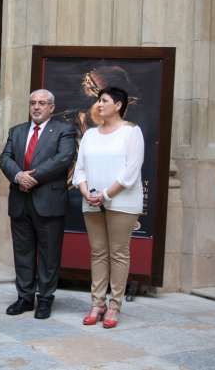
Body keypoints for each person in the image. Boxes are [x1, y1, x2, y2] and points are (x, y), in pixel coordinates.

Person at [0, 89, 75, 319]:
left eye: (42, 103)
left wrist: (32, 177)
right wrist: (18, 176)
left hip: (48, 201)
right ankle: (24, 298)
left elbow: (63, 159)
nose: (36, 107)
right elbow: (5, 158)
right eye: (33, 103)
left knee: (49, 253)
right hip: (20, 200)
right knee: (22, 252)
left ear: (52, 107)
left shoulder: (64, 130)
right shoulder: (17, 131)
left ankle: (45, 299)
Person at [73, 86, 144, 328]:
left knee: (118, 253)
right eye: (98, 100)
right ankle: (97, 303)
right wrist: (85, 191)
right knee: (98, 252)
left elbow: (130, 173)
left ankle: (114, 305)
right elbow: (79, 169)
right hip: (91, 201)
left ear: (119, 105)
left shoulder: (132, 132)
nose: (99, 105)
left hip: (122, 202)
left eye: (104, 100)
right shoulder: (90, 135)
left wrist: (105, 194)